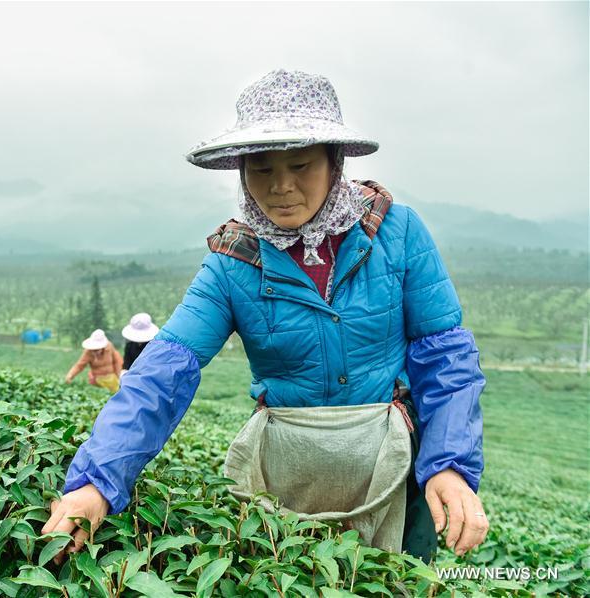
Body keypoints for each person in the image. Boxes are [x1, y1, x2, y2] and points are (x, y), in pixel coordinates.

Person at [43, 70, 487, 565]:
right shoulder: (233, 262)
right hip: (287, 469)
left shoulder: (396, 234)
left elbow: (443, 355)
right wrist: (96, 482)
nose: (280, 187)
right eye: (260, 169)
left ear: (334, 162)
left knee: (395, 580)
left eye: (300, 165)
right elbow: (165, 371)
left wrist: (449, 465)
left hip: (391, 463)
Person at [65, 329, 124, 394]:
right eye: (93, 350)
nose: (95, 352)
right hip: (96, 380)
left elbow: (117, 361)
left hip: (111, 378)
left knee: (115, 394)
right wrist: (70, 375)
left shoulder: (109, 347)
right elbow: (80, 365)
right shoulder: (88, 352)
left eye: (97, 350)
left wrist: (118, 375)